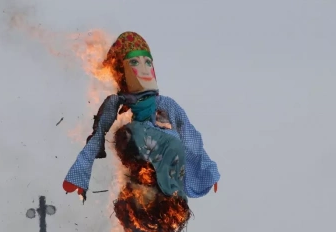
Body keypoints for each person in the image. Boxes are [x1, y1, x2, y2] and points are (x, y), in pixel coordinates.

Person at [62, 31, 220, 201]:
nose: (144, 69)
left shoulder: (166, 105)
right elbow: (98, 135)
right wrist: (79, 173)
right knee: (133, 133)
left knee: (172, 141)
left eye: (148, 62)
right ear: (123, 71)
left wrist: (208, 171)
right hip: (137, 163)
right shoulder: (119, 105)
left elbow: (190, 136)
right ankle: (142, 192)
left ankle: (168, 198)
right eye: (135, 62)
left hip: (167, 174)